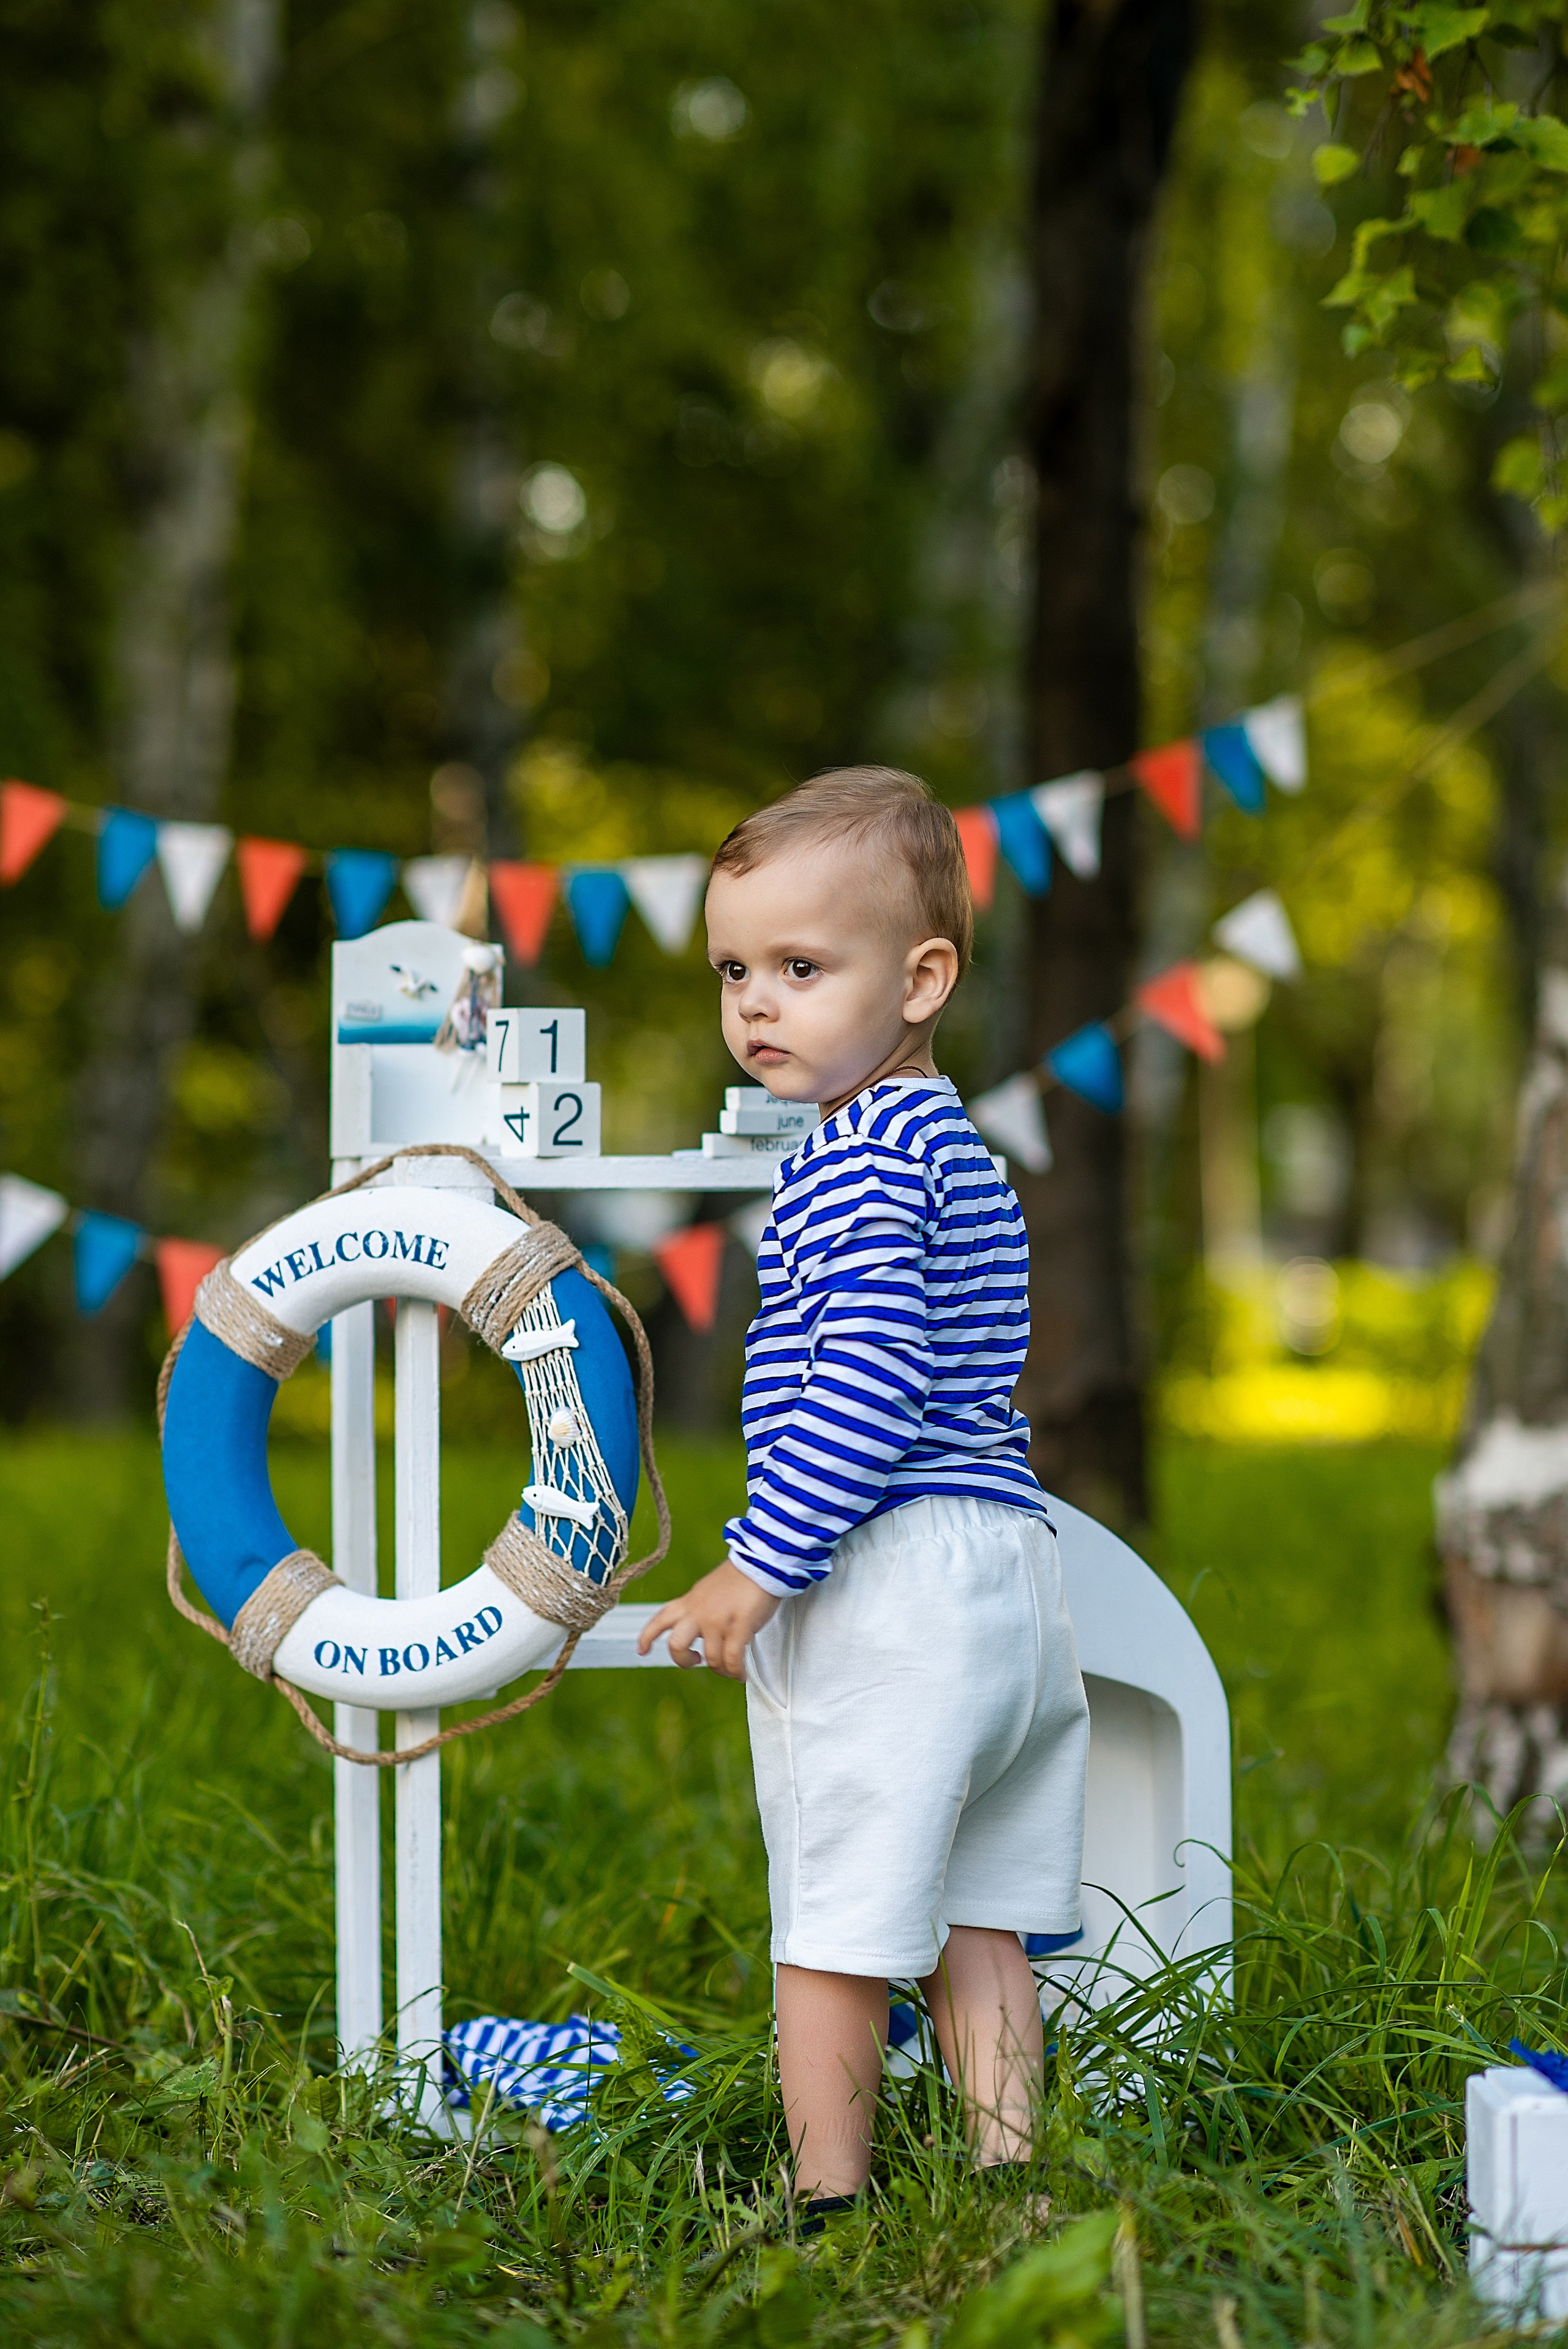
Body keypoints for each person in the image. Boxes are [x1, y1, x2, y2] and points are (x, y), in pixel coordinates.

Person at [639, 765, 1089, 2227]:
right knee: (982, 1910)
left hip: (889, 1576)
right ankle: (1007, 2171)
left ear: (920, 978)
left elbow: (868, 1383)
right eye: (732, 969)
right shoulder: (948, 1142)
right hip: (1008, 1577)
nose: (754, 1003)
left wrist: (761, 1565)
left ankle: (823, 2192)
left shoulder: (849, 1159)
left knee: (830, 1915)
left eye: (797, 967)